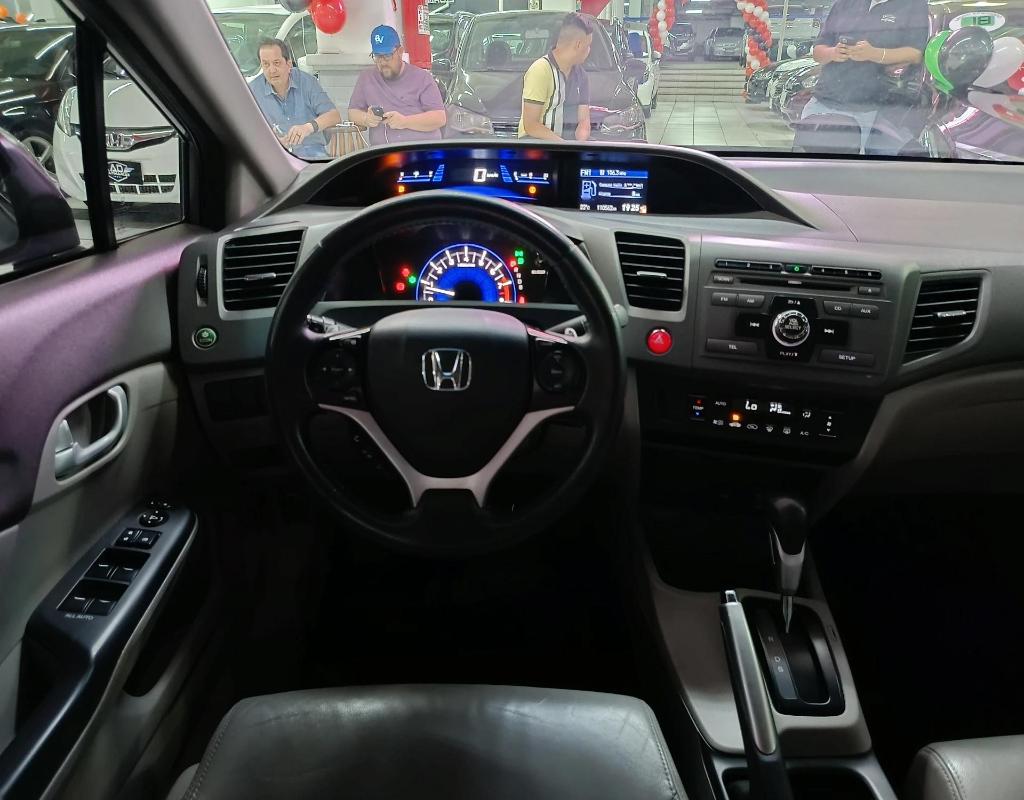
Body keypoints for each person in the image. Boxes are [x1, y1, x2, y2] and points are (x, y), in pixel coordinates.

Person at [802, 0, 928, 154]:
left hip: (865, 110)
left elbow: (915, 54)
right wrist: (833, 53)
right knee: (803, 164)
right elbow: (818, 51)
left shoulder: (913, 5)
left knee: (848, 166)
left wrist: (874, 54)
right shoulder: (843, 4)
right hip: (820, 103)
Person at [348, 25, 447, 146]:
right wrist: (366, 119)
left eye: (387, 56)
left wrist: (405, 122)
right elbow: (353, 112)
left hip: (421, 150)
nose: (382, 62)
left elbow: (439, 118)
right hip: (383, 152)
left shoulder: (422, 78)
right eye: (377, 56)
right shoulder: (366, 78)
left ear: (400, 51)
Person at [250, 38, 341, 159]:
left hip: (312, 151)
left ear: (289, 64)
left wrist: (307, 128)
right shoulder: (252, 91)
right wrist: (270, 142)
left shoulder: (307, 82)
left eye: (276, 63)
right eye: (266, 64)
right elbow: (244, 131)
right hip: (274, 155)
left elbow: (334, 116)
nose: (271, 70)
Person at [519, 12, 594, 142]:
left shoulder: (581, 76)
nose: (589, 51)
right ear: (578, 45)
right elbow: (531, 125)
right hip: (536, 144)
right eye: (588, 46)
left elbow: (584, 120)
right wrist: (563, 146)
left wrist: (580, 144)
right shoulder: (540, 70)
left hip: (567, 146)